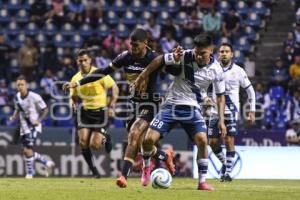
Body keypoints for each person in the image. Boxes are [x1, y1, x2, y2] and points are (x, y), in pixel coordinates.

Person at [63, 28, 177, 188]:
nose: (133, 48)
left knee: (134, 134)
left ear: (145, 44)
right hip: (134, 104)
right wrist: (78, 83)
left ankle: (124, 176)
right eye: (131, 45)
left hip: (152, 103)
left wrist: (177, 60)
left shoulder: (154, 58)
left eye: (136, 45)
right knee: (141, 143)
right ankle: (164, 156)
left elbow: (174, 70)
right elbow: (103, 72)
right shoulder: (125, 57)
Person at [132, 33, 226, 191]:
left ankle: (202, 182)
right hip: (171, 105)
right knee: (148, 140)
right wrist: (142, 76)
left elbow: (221, 97)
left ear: (211, 51)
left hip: (192, 109)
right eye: (196, 52)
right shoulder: (185, 55)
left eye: (202, 53)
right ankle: (146, 168)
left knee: (203, 140)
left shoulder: (217, 70)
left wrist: (221, 121)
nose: (198, 56)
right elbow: (159, 60)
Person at [207, 43, 256, 182]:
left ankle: (228, 174)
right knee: (213, 142)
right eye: (221, 51)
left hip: (231, 111)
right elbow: (204, 87)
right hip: (215, 111)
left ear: (232, 54)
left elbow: (250, 91)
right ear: (218, 54)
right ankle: (224, 163)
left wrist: (251, 111)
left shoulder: (239, 71)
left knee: (229, 140)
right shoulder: (212, 70)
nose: (224, 53)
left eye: (227, 51)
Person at [69, 49, 119, 178]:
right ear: (77, 62)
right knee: (82, 142)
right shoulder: (76, 78)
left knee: (95, 145)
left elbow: (114, 87)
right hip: (85, 112)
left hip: (100, 113)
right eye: (80, 61)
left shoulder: (99, 73)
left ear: (90, 60)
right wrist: (72, 102)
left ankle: (106, 136)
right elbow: (73, 96)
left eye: (85, 60)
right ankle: (95, 172)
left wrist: (112, 106)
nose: (83, 63)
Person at [9, 76, 55, 179]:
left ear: (26, 85)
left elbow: (45, 109)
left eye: (22, 84)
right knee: (25, 151)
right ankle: (46, 163)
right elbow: (17, 109)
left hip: (33, 126)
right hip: (23, 127)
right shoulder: (17, 97)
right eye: (18, 85)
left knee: (27, 150)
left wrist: (38, 121)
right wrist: (13, 116)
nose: (20, 87)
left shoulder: (35, 96)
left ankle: (30, 173)